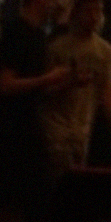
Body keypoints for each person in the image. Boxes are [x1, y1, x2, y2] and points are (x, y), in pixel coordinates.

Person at [0, 0, 75, 222]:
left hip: (21, 127)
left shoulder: (38, 36)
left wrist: (64, 83)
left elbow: (33, 86)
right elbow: (5, 84)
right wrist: (49, 78)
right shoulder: (16, 32)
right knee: (4, 200)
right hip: (7, 131)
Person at [43, 0, 111, 179]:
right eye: (89, 11)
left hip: (83, 129)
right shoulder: (58, 47)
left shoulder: (104, 51)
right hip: (57, 128)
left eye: (98, 11)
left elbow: (106, 94)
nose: (94, 17)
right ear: (77, 13)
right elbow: (44, 90)